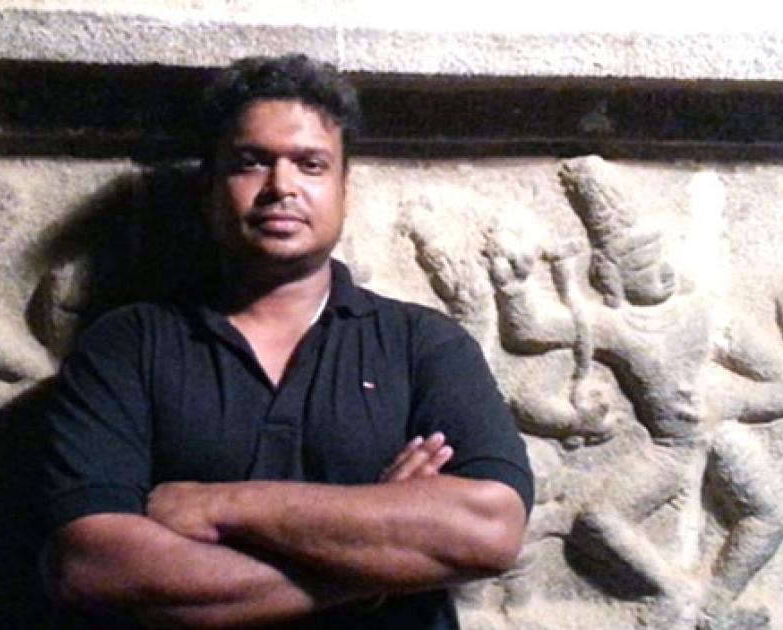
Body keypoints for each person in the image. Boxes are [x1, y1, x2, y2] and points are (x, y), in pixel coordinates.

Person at [38, 54, 533, 629]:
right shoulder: (129, 345)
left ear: (344, 189)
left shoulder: (422, 343)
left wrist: (218, 505)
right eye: (251, 162)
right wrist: (384, 558)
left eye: (310, 164)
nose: (281, 187)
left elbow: (490, 529)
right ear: (210, 187)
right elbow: (93, 565)